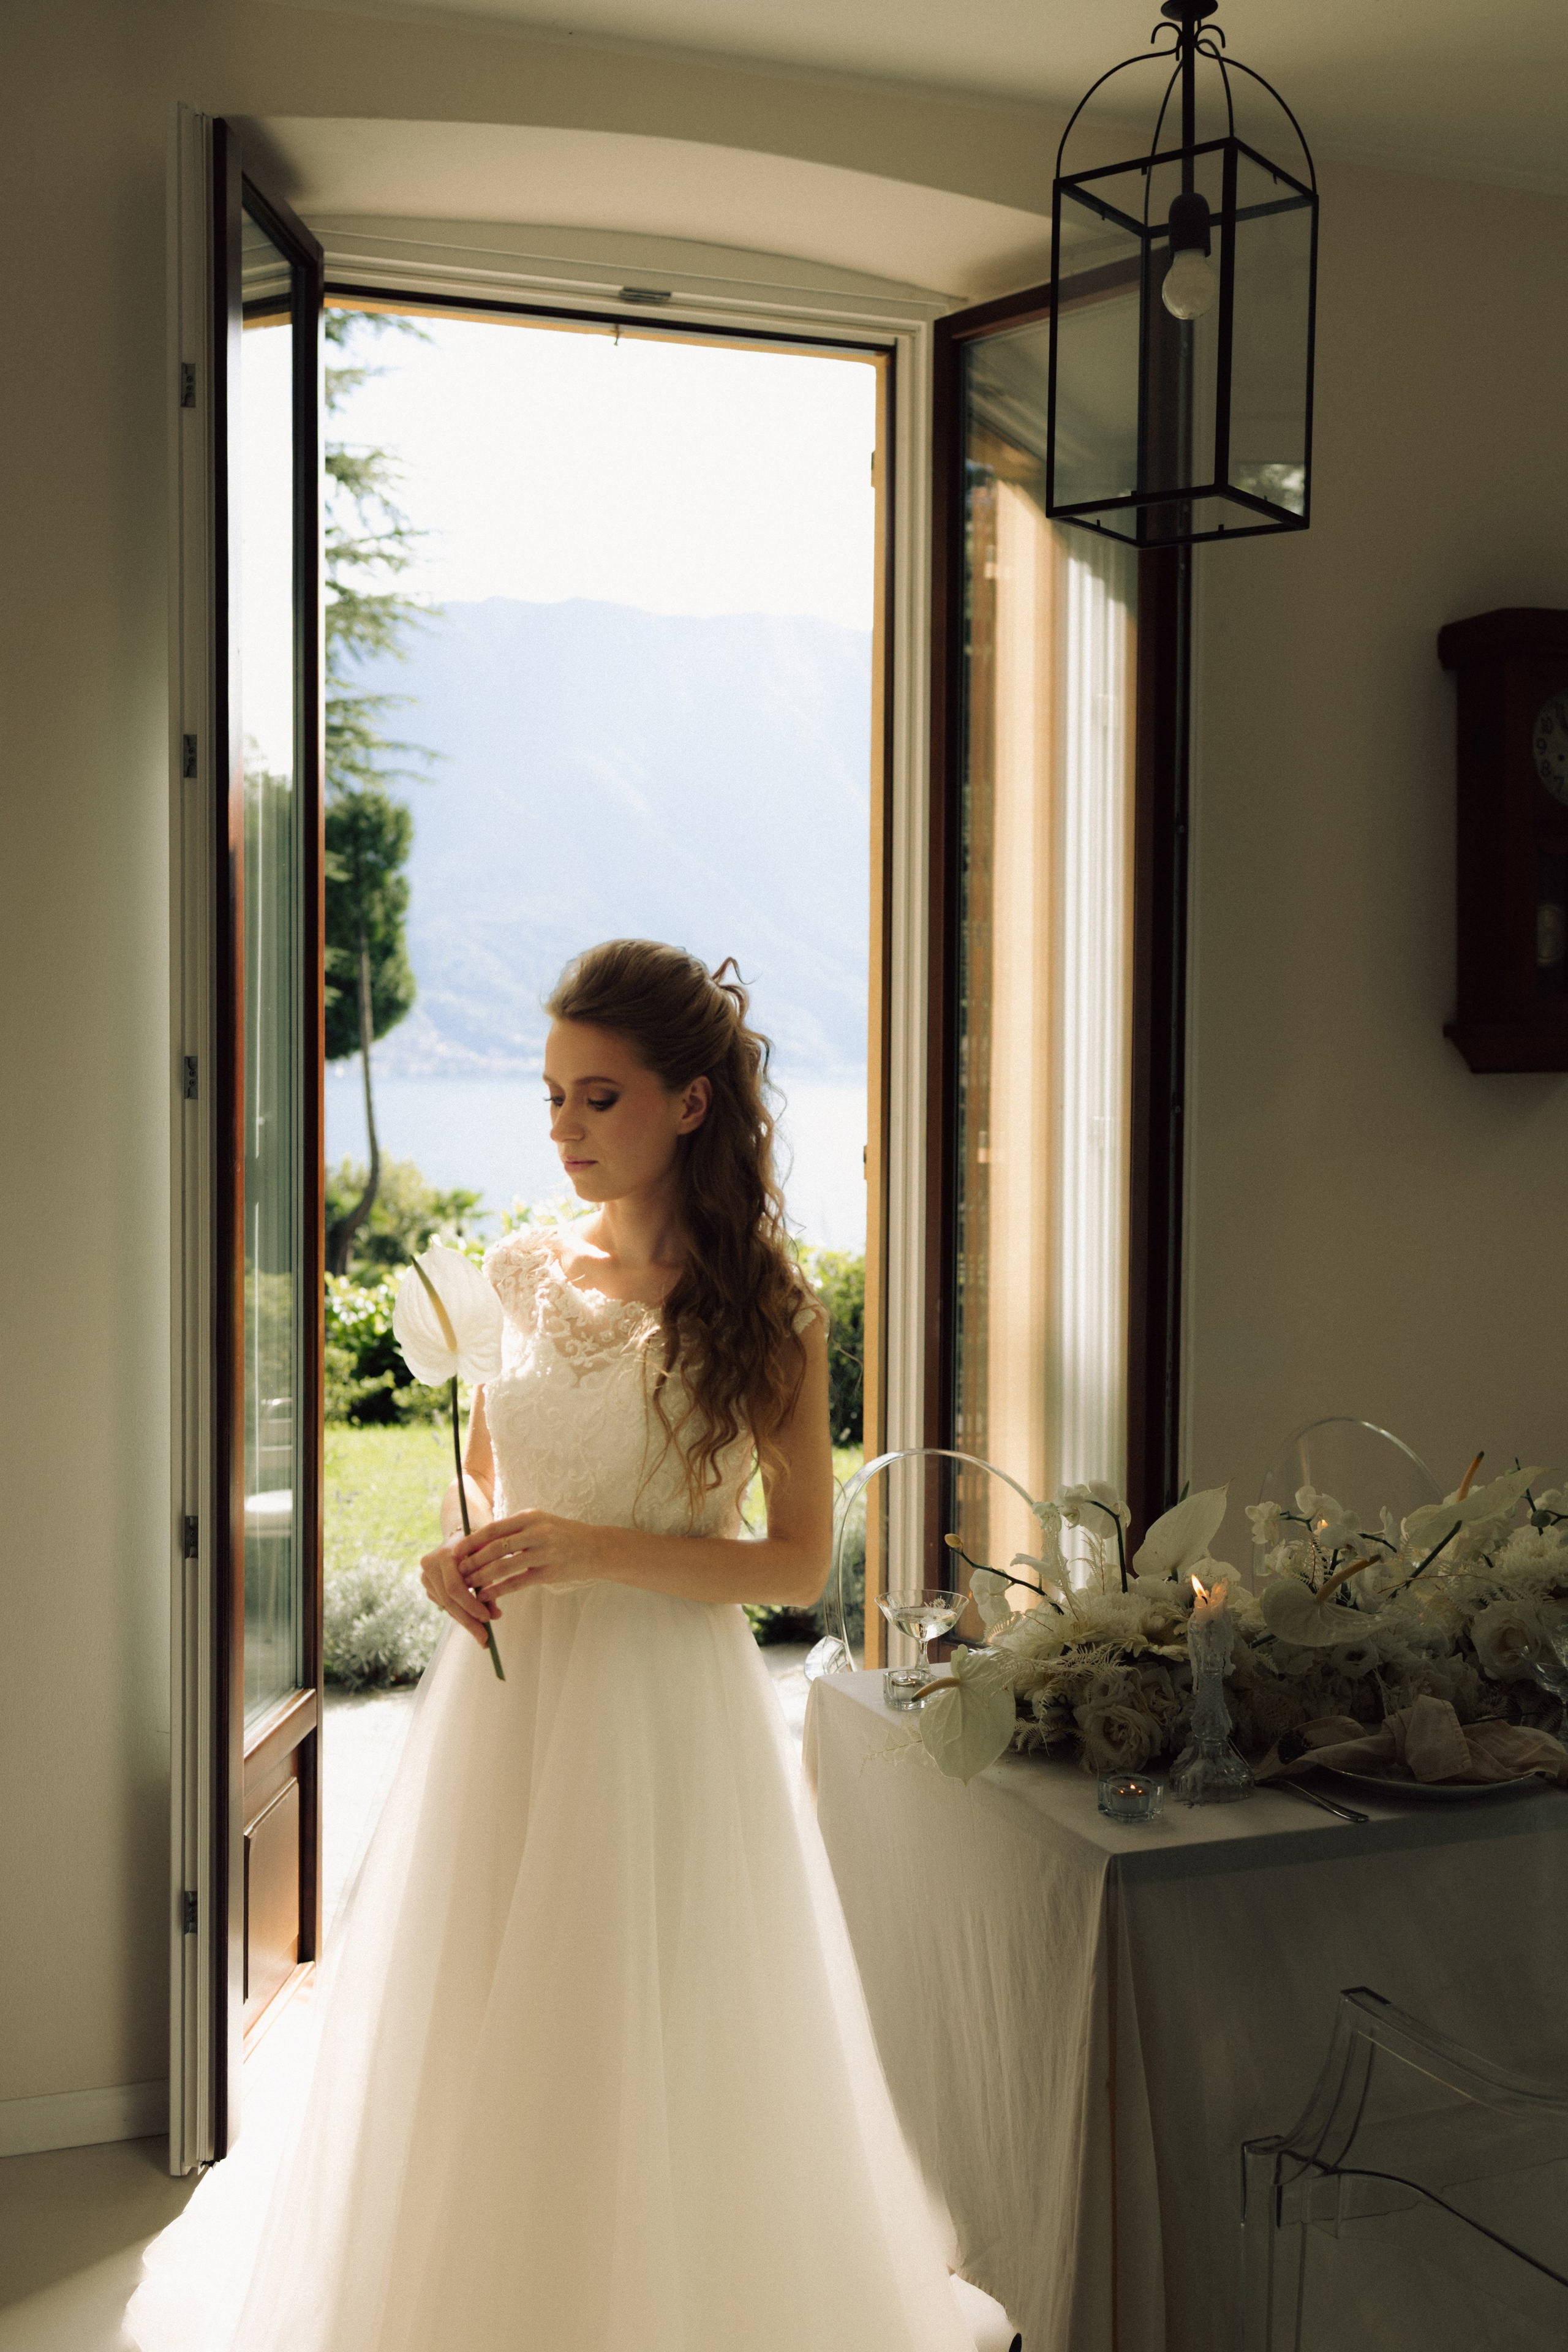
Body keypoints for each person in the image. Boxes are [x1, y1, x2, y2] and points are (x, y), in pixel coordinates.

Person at [127, 940, 984, 2352]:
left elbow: (795, 1564)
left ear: (690, 1104)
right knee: (484, 2014)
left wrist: (596, 1553)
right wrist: (447, 1558)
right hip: (506, 1711)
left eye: (598, 1098)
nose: (564, 1132)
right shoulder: (515, 1273)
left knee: (652, 2024)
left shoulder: (766, 1307)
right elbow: (488, 1482)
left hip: (663, 1720)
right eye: (549, 1100)